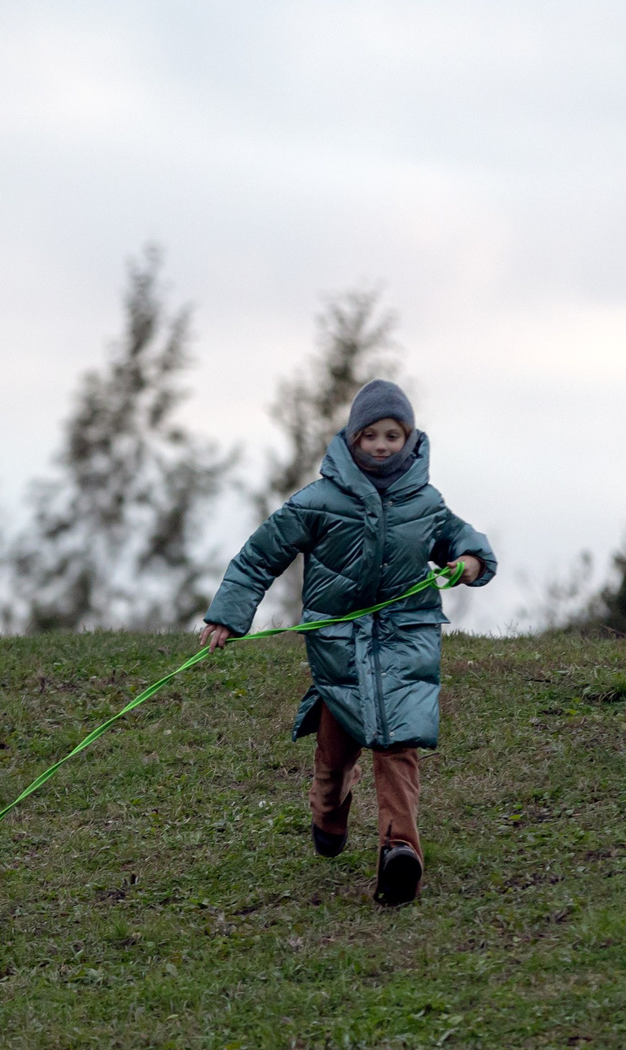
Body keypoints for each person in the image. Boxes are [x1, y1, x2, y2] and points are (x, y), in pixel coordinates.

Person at [202, 379, 494, 905]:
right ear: (353, 439)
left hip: (407, 641)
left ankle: (399, 852)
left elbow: (462, 539)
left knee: (398, 743)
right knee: (336, 754)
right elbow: (258, 556)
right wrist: (228, 617)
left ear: (408, 439)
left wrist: (469, 562)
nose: (382, 445)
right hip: (339, 649)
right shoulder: (318, 501)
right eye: (371, 436)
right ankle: (329, 804)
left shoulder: (424, 502)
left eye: (393, 435)